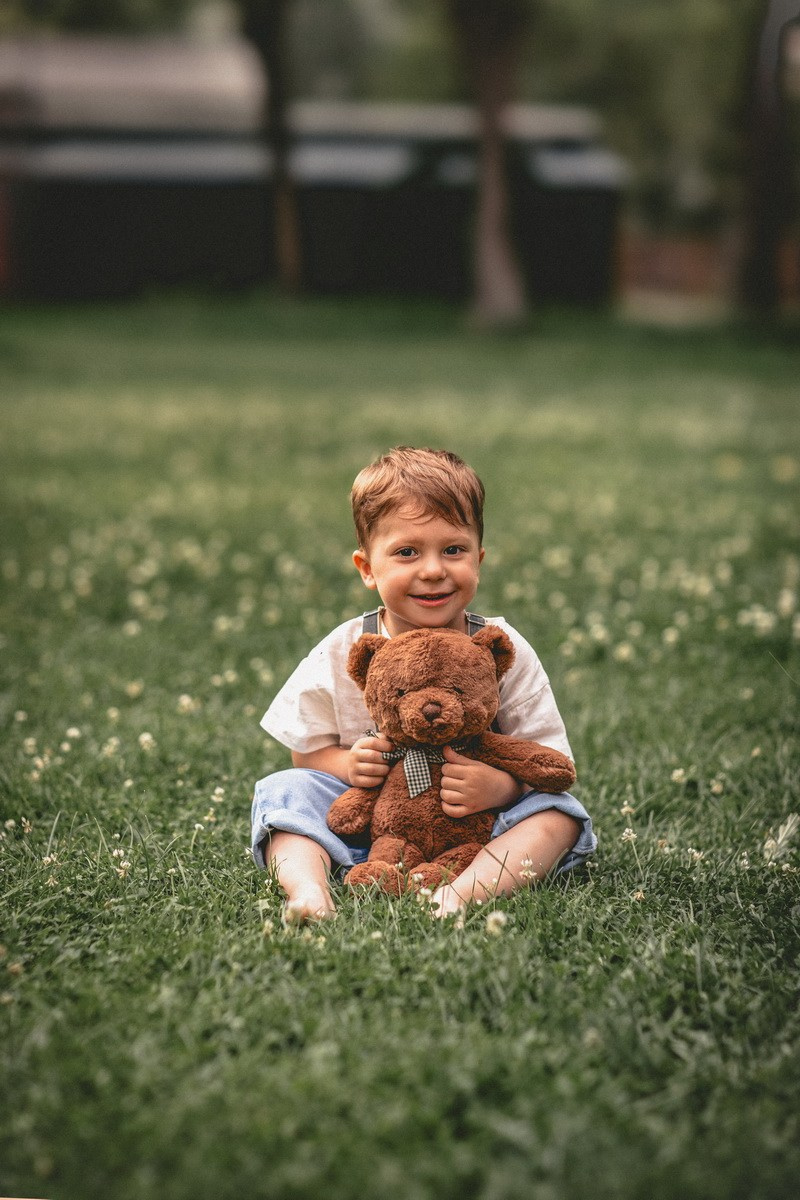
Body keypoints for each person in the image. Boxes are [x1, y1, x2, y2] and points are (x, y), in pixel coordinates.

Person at [251, 447, 596, 922]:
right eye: (407, 552)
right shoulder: (348, 645)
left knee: (558, 813)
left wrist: (501, 788)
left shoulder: (499, 645)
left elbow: (546, 759)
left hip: (476, 829)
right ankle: (308, 892)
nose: (433, 570)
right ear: (368, 568)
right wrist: (350, 766)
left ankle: (460, 894)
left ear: (479, 557)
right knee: (286, 791)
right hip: (368, 822)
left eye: (453, 550)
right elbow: (306, 751)